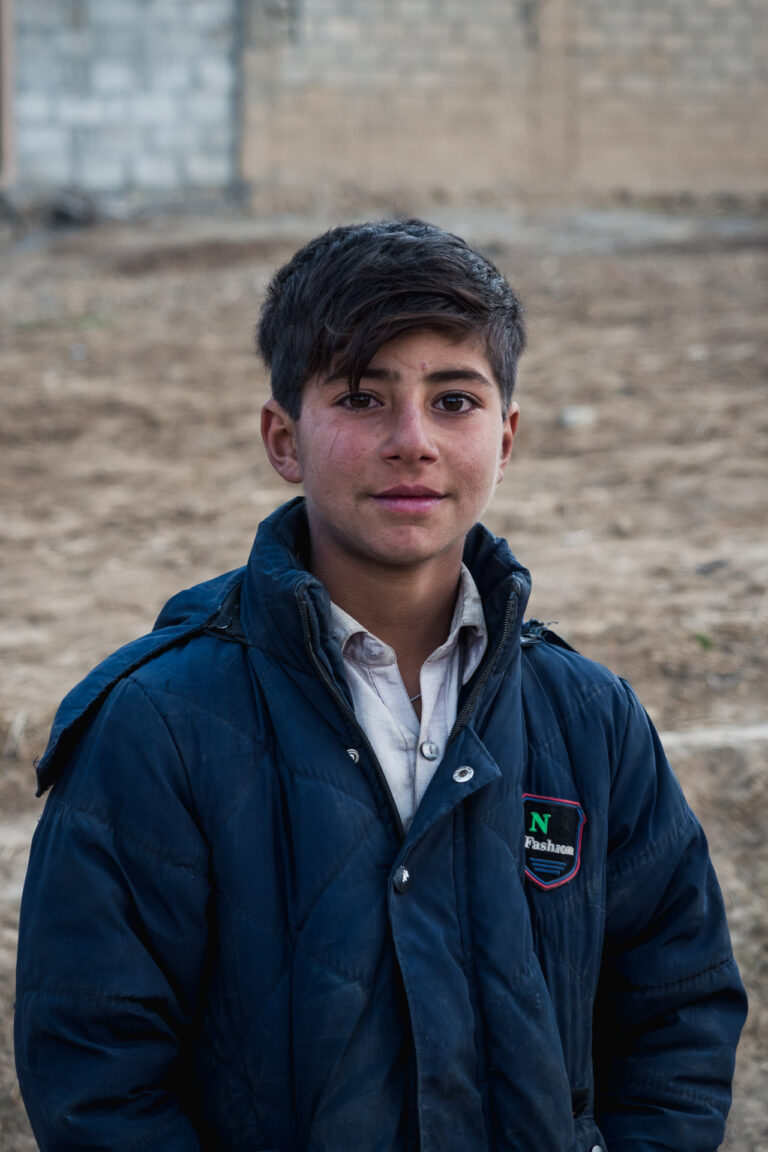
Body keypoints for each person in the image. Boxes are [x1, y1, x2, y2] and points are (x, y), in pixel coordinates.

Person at [15, 219, 746, 1152]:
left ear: (508, 436)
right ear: (284, 437)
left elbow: (677, 1013)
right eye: (362, 397)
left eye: (454, 401)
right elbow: (95, 1074)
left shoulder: (590, 719)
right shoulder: (158, 727)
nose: (412, 442)